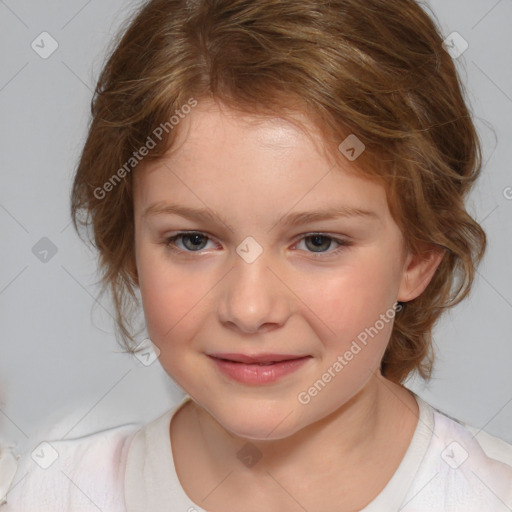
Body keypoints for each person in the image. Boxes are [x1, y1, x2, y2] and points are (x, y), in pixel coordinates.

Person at [3, 0, 512, 510]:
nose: (249, 310)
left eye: (318, 242)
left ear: (418, 255)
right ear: (131, 244)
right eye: (193, 240)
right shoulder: (48, 495)